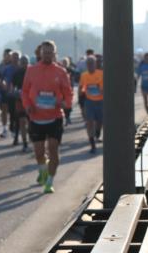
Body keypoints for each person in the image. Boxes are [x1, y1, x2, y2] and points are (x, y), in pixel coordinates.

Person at [21, 41, 73, 194]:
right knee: (38, 152)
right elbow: (24, 91)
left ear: (54, 54)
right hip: (36, 117)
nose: (47, 55)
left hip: (55, 117)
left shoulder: (61, 72)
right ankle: (43, 170)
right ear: (40, 53)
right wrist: (27, 105)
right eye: (45, 53)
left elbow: (68, 92)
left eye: (50, 53)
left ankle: (49, 182)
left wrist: (66, 103)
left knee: (53, 149)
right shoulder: (31, 70)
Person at [79, 54, 106, 152]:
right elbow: (82, 88)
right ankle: (92, 143)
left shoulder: (101, 74)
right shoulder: (84, 75)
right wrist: (81, 100)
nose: (90, 65)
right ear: (86, 65)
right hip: (89, 101)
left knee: (100, 121)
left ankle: (97, 133)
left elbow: (104, 89)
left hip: (100, 101)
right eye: (88, 63)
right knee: (89, 122)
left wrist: (100, 89)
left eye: (92, 63)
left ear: (95, 64)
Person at [12, 52, 31, 151]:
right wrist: (14, 92)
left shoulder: (33, 72)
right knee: (22, 121)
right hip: (20, 100)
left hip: (32, 101)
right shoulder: (17, 73)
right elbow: (13, 86)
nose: (24, 64)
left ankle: (33, 137)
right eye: (22, 62)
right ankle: (25, 143)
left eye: (26, 62)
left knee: (31, 121)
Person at [0, 49, 15, 138]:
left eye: (8, 55)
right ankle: (4, 129)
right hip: (3, 91)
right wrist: (0, 83)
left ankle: (13, 127)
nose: (6, 57)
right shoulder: (1, 66)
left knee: (12, 111)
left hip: (13, 92)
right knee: (3, 110)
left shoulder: (15, 65)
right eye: (5, 55)